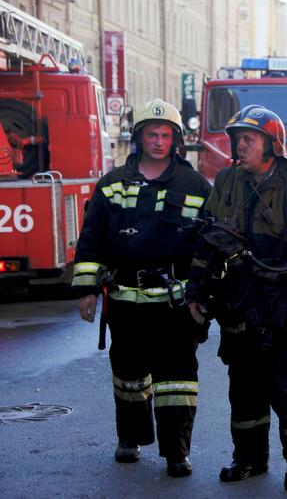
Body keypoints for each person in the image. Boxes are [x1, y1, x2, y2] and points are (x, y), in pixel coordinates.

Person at [185, 105, 287, 491]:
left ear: (271, 144)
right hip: (239, 300)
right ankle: (249, 458)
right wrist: (197, 291)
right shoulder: (227, 180)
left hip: (283, 301)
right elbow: (208, 239)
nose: (239, 145)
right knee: (244, 388)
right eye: (237, 139)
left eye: (248, 139)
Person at [71, 98, 211, 478]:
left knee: (177, 381)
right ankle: (130, 439)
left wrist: (202, 297)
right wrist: (86, 290)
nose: (159, 141)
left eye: (166, 135)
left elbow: (209, 247)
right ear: (139, 137)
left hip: (175, 304)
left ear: (177, 139)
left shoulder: (195, 185)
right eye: (152, 133)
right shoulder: (112, 183)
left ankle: (177, 453)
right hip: (125, 301)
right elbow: (92, 239)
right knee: (129, 376)